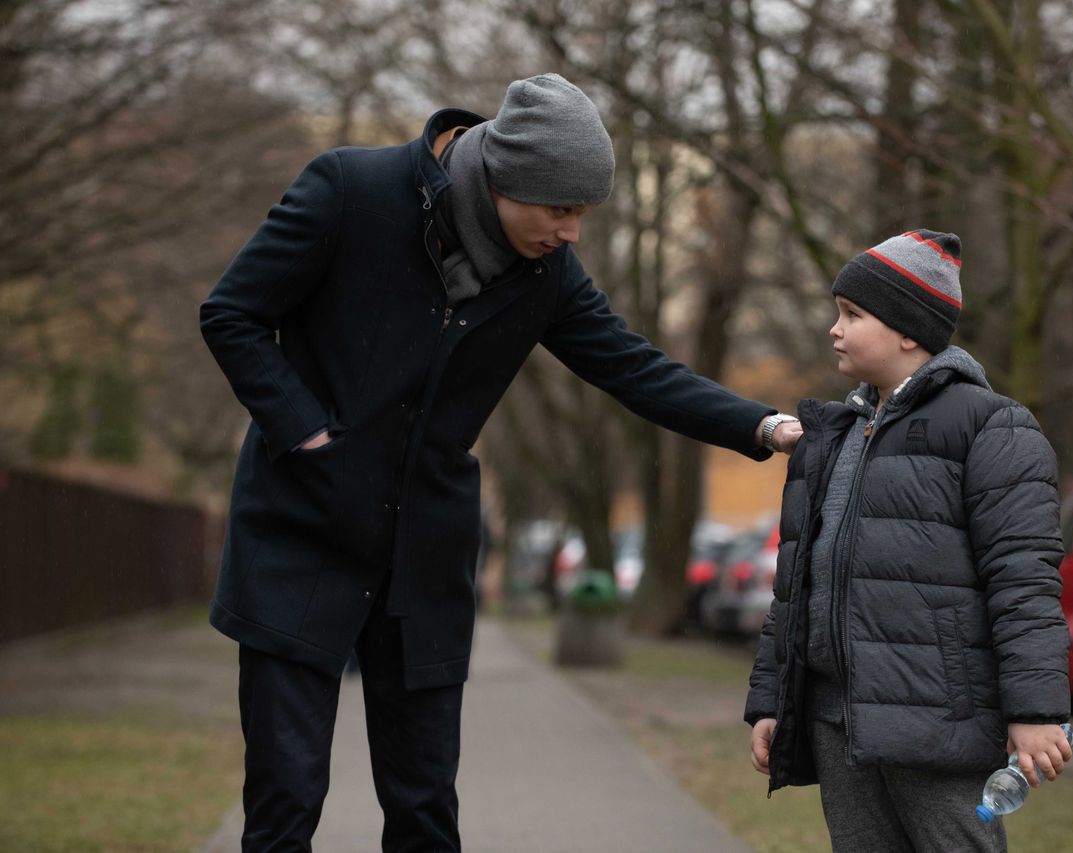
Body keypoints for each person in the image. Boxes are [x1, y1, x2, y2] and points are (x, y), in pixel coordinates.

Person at [200, 73, 803, 852]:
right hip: (300, 534)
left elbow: (634, 367)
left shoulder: (546, 273)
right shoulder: (349, 190)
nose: (572, 231)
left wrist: (764, 424)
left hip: (423, 559)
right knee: (285, 802)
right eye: (560, 209)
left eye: (584, 212)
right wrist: (310, 435)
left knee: (424, 810)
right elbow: (232, 313)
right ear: (500, 180)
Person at [743, 230, 1072, 852]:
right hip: (836, 717)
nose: (834, 330)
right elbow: (795, 588)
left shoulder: (989, 427)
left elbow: (1024, 580)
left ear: (907, 331)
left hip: (937, 714)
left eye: (852, 315)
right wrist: (771, 701)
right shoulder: (832, 437)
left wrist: (1035, 712)